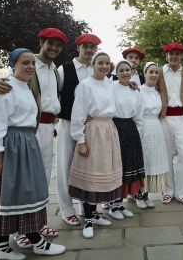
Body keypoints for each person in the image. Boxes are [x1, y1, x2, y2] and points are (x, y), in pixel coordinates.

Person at [0, 27, 67, 248]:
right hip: (25, 133)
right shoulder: (17, 74)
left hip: (42, 128)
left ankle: (36, 223)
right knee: (22, 182)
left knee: (40, 179)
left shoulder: (54, 71)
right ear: (41, 43)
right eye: (50, 43)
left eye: (58, 45)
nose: (53, 48)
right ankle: (22, 231)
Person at [56, 33, 111, 227]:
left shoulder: (96, 70)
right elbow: (55, 96)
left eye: (92, 47)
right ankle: (67, 209)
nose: (89, 50)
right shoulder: (65, 69)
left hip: (92, 128)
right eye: (85, 46)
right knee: (65, 167)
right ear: (78, 48)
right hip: (68, 123)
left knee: (86, 168)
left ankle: (85, 206)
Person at [69, 52, 124, 239]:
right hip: (93, 132)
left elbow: (124, 87)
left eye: (107, 63)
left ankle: (97, 213)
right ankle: (88, 219)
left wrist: (132, 84)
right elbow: (77, 114)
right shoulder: (84, 86)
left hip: (108, 129)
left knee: (104, 173)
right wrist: (80, 140)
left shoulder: (110, 83)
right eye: (100, 63)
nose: (104, 66)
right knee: (91, 174)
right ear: (93, 64)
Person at [156, 42, 183, 206]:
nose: (174, 57)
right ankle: (169, 191)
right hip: (164, 118)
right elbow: (149, 88)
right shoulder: (159, 72)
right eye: (171, 54)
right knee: (166, 156)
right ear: (166, 56)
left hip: (182, 118)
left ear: (181, 56)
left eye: (177, 54)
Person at [110, 60, 146, 217]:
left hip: (130, 130)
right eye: (121, 70)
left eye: (128, 70)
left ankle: (120, 203)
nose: (125, 73)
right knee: (116, 167)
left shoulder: (135, 92)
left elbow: (139, 115)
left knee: (127, 167)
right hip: (114, 128)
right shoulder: (110, 88)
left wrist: (137, 133)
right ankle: (112, 205)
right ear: (116, 73)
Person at [139, 62, 169, 207]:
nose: (154, 75)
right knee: (142, 160)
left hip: (156, 127)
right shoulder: (138, 90)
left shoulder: (158, 93)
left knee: (152, 161)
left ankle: (146, 194)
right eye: (151, 72)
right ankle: (138, 194)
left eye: (156, 73)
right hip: (142, 126)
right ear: (144, 73)